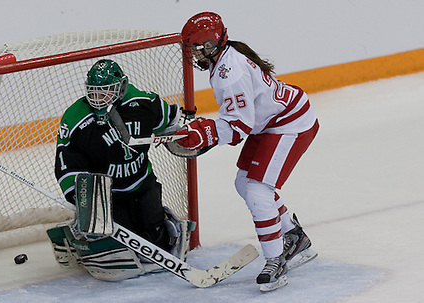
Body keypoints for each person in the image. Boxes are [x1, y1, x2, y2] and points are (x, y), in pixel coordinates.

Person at [177, 12, 319, 291]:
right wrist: (207, 131)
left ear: (210, 45)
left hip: (290, 124)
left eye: (196, 49)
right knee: (244, 183)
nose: (194, 55)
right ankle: (294, 236)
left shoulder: (231, 73)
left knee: (257, 190)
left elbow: (240, 127)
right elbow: (243, 120)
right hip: (270, 123)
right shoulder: (224, 59)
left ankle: (275, 259)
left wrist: (206, 133)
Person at [47, 59, 190, 281]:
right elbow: (66, 158)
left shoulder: (144, 102)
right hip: (109, 195)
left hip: (142, 183)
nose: (98, 99)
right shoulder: (76, 117)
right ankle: (76, 233)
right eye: (93, 93)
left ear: (121, 87)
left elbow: (171, 121)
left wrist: (184, 137)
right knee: (119, 248)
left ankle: (165, 219)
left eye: (105, 92)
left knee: (156, 240)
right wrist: (82, 196)